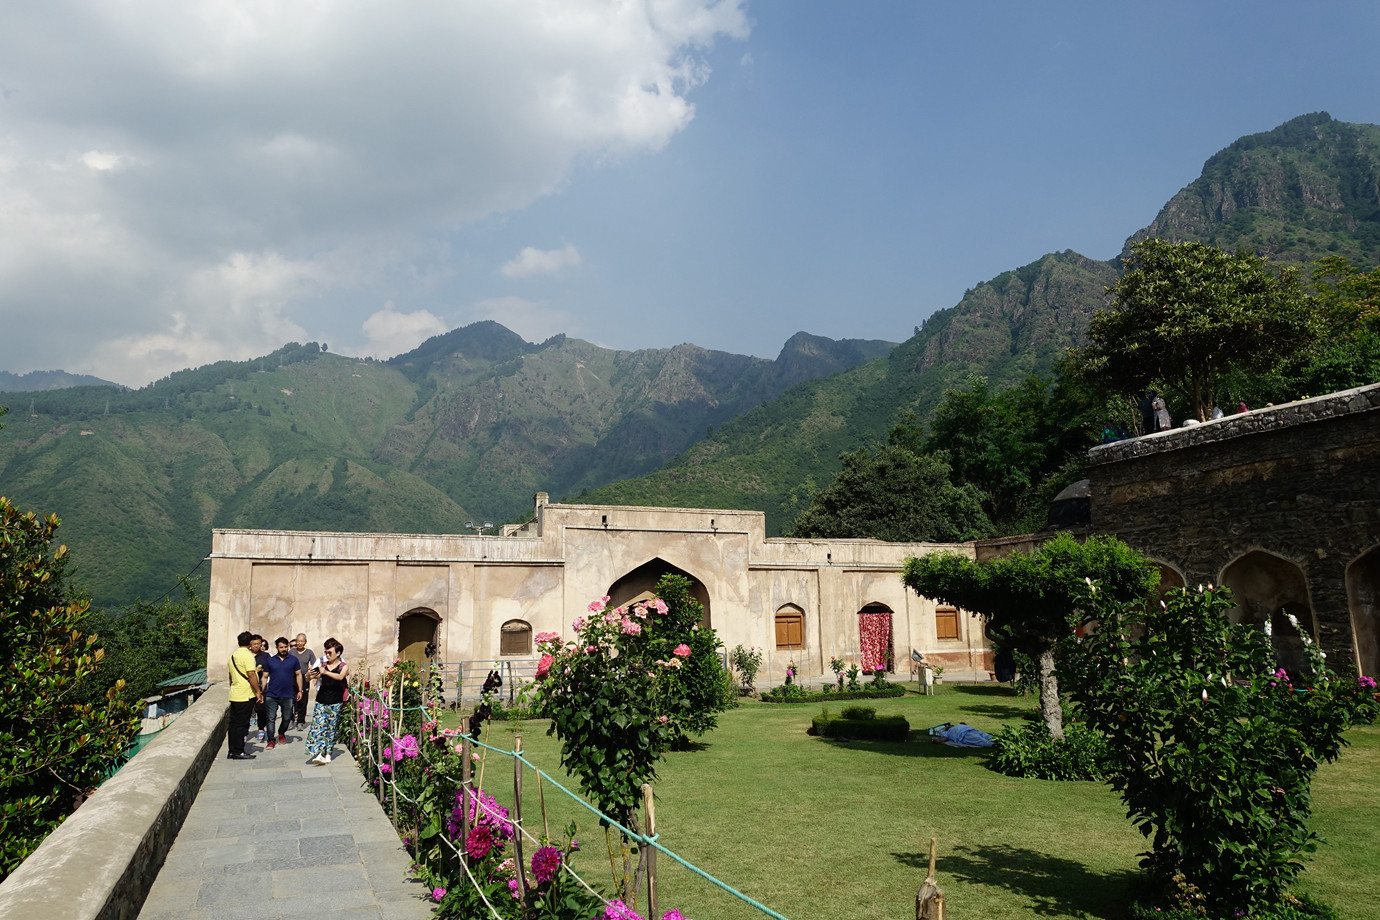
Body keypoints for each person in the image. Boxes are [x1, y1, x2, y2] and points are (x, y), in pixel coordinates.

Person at [306, 638, 349, 765]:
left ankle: (328, 752)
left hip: (335, 701)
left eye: (330, 652)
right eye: (326, 652)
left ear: (338, 653)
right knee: (319, 727)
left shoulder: (343, 666)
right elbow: (311, 677)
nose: (327, 655)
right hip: (321, 700)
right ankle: (319, 753)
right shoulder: (322, 665)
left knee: (331, 728)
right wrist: (309, 675)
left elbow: (340, 677)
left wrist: (326, 672)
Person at [227, 631, 263, 760]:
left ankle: (232, 750)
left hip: (235, 693)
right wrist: (258, 691)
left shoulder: (233, 656)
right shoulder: (247, 656)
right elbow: (251, 674)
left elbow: (231, 676)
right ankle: (239, 751)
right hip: (245, 694)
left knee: (233, 724)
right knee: (242, 725)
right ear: (249, 643)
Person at [262, 637, 303, 748]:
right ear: (277, 648)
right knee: (270, 718)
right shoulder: (270, 661)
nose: (284, 649)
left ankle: (281, 732)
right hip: (272, 694)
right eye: (281, 647)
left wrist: (300, 690)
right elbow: (264, 677)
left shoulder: (293, 660)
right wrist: (261, 691)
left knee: (287, 718)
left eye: (286, 647)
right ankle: (271, 739)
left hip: (288, 694)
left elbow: (298, 675)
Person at [289, 633, 317, 729]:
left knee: (303, 700)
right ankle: (290, 719)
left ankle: (300, 721)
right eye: (298, 641)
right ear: (296, 642)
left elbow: (314, 665)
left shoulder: (309, 652)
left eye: (302, 641)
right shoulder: (292, 652)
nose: (300, 643)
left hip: (304, 678)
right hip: (292, 678)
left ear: (305, 642)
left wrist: (311, 674)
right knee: (290, 700)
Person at [251, 634, 271, 742]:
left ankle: (261, 728)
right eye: (254, 644)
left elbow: (271, 668)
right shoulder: (248, 655)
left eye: (259, 643)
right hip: (248, 686)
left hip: (262, 685)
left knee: (261, 708)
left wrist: (263, 671)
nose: (257, 646)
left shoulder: (266, 656)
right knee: (249, 709)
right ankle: (245, 732)